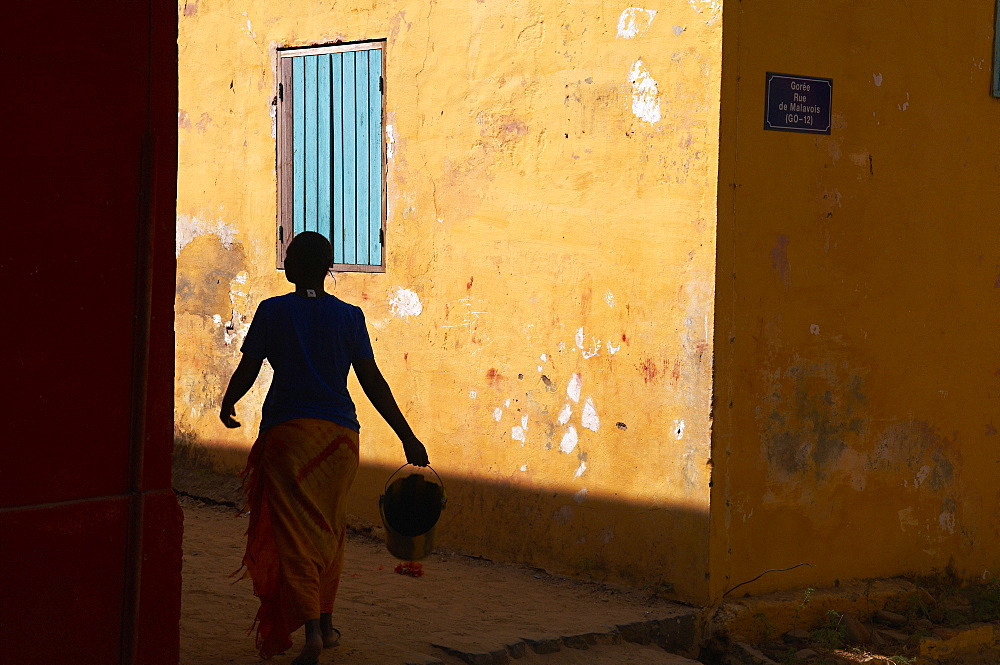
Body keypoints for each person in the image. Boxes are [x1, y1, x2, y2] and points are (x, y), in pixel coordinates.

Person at [219, 231, 429, 665]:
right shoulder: (350, 317)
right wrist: (406, 435)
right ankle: (328, 626)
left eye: (289, 256)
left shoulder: (272, 312)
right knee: (330, 533)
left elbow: (249, 368)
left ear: (296, 265)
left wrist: (228, 401)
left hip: (289, 438)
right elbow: (373, 382)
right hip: (339, 442)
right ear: (328, 266)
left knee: (296, 536)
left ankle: (312, 633)